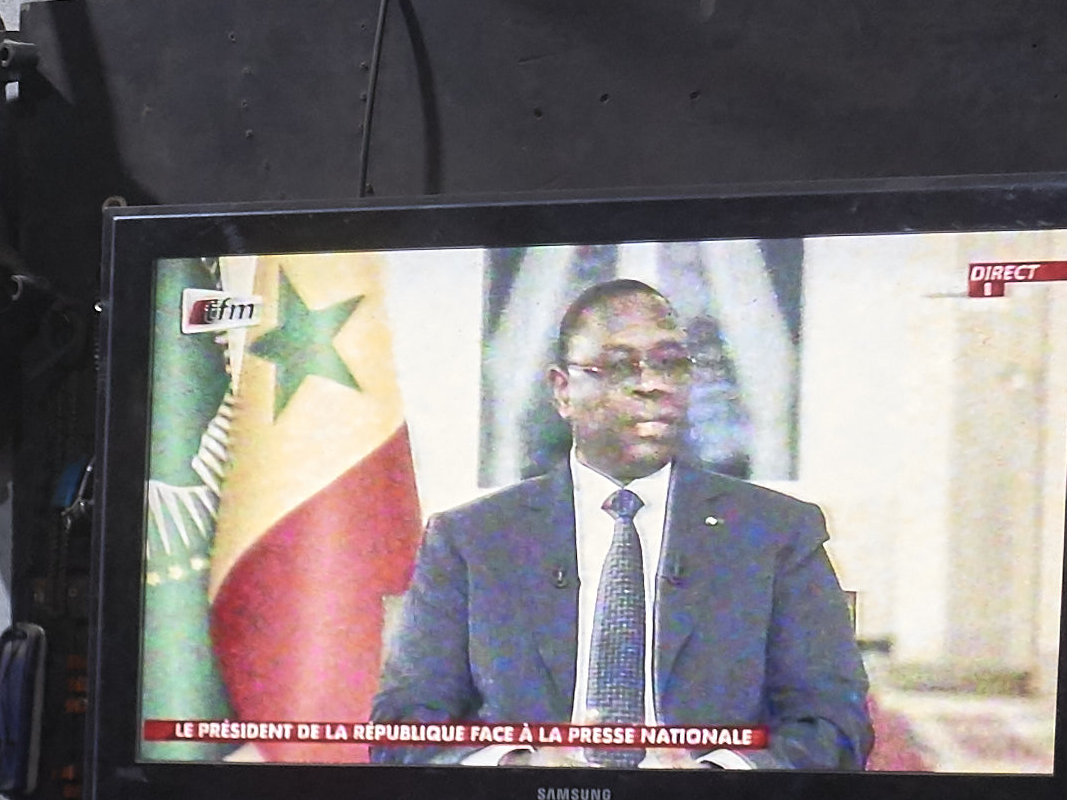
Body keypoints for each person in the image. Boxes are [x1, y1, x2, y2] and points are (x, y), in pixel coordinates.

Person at [370, 275, 873, 771]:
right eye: (618, 366)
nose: (652, 385)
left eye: (671, 364)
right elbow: (402, 728)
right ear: (562, 391)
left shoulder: (777, 532)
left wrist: (714, 777)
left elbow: (834, 725)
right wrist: (517, 767)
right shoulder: (471, 539)